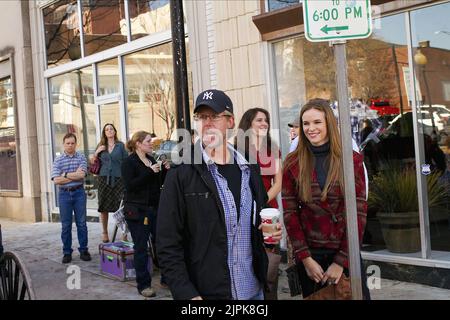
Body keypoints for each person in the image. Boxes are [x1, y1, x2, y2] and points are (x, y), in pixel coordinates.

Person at [156, 89, 282, 300]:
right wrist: (187, 294)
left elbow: (255, 224)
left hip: (252, 291)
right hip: (207, 294)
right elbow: (167, 243)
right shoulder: (182, 172)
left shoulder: (249, 167)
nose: (207, 122)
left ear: (230, 121)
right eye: (201, 117)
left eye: (214, 116)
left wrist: (268, 234)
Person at [282, 98, 370, 299]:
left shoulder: (351, 160)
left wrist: (341, 261)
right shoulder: (292, 163)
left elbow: (358, 213)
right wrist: (305, 259)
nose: (310, 128)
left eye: (317, 122)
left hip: (345, 254)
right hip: (311, 258)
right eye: (306, 123)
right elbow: (290, 214)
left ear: (329, 123)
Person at [236, 108, 282, 300]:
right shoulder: (236, 150)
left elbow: (278, 183)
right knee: (248, 259)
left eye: (266, 120)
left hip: (269, 213)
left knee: (270, 263)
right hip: (244, 213)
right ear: (248, 124)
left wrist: (261, 203)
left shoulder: (272, 149)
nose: (264, 123)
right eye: (259, 120)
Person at [121, 131, 170, 298]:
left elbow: (156, 184)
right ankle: (144, 285)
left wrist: (164, 171)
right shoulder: (129, 162)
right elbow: (130, 186)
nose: (151, 144)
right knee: (141, 248)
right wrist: (150, 171)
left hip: (154, 209)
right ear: (138, 144)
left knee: (162, 244)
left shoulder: (151, 160)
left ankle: (167, 279)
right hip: (136, 211)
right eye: (148, 141)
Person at [51, 133, 91, 264]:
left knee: (81, 224)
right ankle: (67, 252)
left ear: (76, 144)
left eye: (72, 143)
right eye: (67, 143)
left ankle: (84, 250)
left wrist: (66, 174)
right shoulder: (58, 160)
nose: (70, 145)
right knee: (66, 225)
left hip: (79, 192)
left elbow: (82, 175)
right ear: (63, 144)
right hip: (64, 194)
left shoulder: (81, 156)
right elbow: (56, 180)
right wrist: (74, 175)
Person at [92, 123, 128, 243]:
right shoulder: (101, 146)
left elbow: (126, 162)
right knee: (103, 206)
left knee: (122, 207)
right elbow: (92, 161)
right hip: (103, 179)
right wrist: (97, 152)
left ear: (114, 131)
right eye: (107, 129)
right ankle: (105, 232)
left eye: (111, 129)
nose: (109, 131)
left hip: (119, 179)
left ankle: (124, 233)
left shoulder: (120, 146)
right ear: (104, 132)